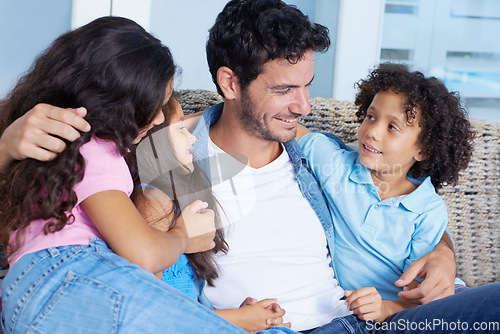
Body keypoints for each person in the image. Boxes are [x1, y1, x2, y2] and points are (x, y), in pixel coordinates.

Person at [2, 1, 499, 333]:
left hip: (363, 321)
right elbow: (144, 277)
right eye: (284, 90)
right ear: (231, 82)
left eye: (306, 84)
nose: (304, 105)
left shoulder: (316, 153)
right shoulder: (174, 156)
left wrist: (443, 254)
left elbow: (398, 198)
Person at [0, 16, 259, 334]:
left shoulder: (61, 160)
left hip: (35, 295)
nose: (161, 117)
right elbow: (144, 253)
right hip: (67, 276)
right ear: (116, 107)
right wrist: (181, 235)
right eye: (154, 107)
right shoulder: (94, 147)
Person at [296, 64, 474, 323]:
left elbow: (420, 296)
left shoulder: (427, 209)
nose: (373, 132)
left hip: (429, 305)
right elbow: (292, 131)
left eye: (392, 127)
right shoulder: (335, 166)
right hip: (384, 317)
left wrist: (387, 310)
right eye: (371, 116)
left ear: (423, 150)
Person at [133, 96, 290, 332]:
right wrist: (240, 319)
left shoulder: (171, 197)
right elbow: (156, 310)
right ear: (155, 140)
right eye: (180, 129)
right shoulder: (154, 200)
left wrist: (242, 315)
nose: (192, 137)